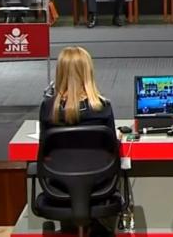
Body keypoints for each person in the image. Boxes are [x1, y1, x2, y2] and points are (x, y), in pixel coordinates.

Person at [38, 46, 116, 235]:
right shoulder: (103, 107)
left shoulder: (48, 108)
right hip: (99, 186)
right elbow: (112, 147)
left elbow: (44, 148)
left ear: (60, 72)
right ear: (88, 72)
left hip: (58, 186)